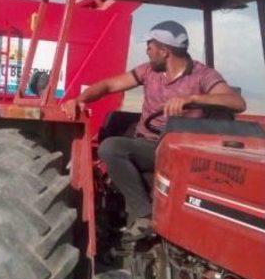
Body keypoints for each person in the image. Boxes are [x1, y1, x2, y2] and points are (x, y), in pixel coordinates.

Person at [62, 20, 246, 237]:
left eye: (150, 46)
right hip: (149, 145)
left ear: (164, 50)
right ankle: (143, 214)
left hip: (182, 150)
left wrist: (193, 98)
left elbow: (237, 103)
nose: (147, 50)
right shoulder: (149, 71)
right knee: (111, 148)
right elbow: (109, 85)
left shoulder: (202, 75)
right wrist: (80, 99)